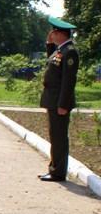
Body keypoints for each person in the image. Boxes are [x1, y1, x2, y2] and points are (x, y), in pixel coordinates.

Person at [39, 17, 79, 182]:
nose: (51, 34)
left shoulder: (70, 51)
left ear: (61, 33)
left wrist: (63, 104)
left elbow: (68, 81)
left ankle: (58, 172)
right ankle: (54, 168)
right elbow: (52, 63)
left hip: (59, 102)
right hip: (53, 100)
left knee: (59, 137)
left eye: (54, 32)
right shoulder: (61, 50)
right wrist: (49, 45)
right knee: (55, 135)